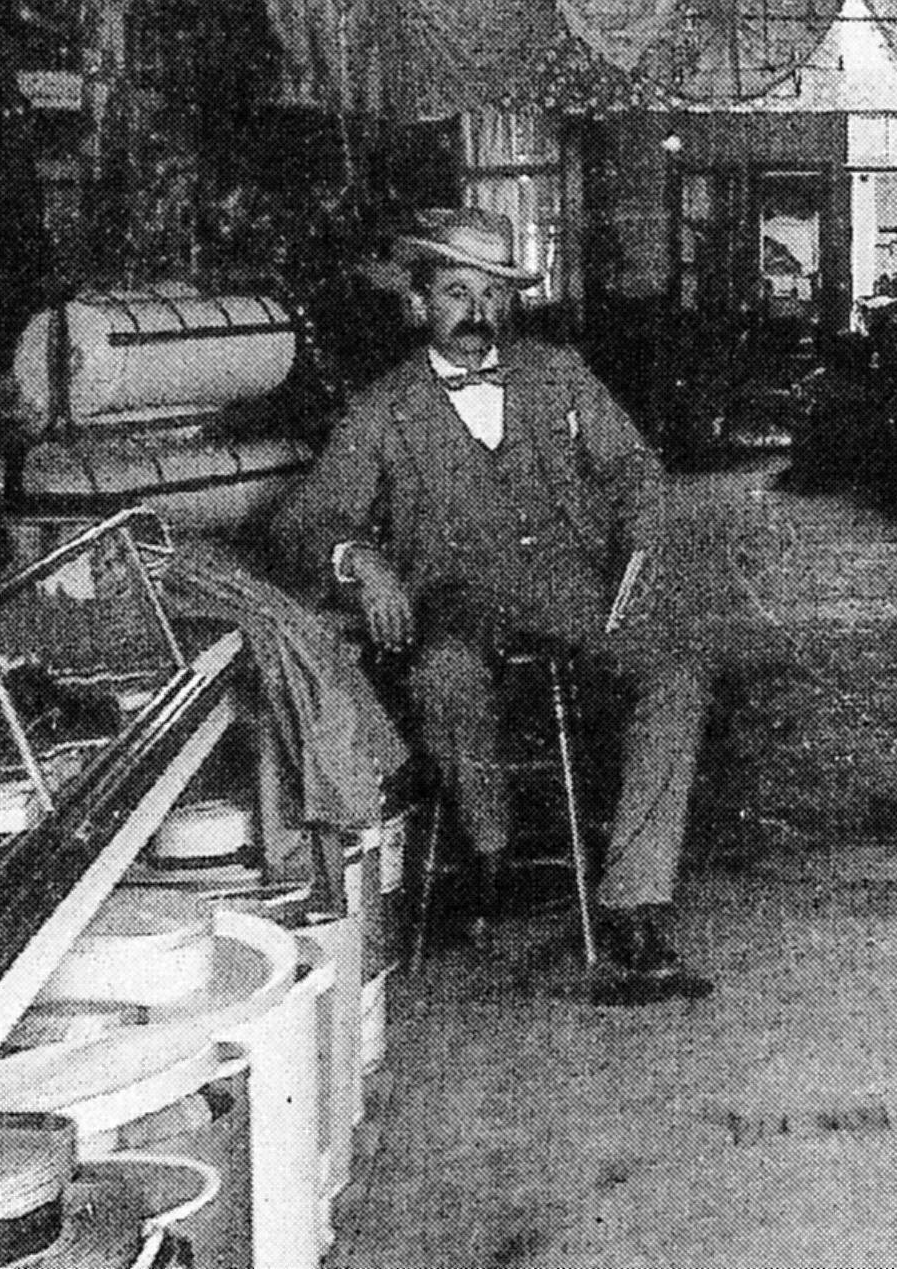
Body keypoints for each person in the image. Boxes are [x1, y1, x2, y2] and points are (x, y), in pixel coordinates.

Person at [272, 207, 712, 1004]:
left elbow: (633, 469)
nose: (476, 312)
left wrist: (642, 537)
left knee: (675, 675)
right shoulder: (385, 409)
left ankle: (636, 899)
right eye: (455, 292)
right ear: (419, 304)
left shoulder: (560, 374)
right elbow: (308, 520)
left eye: (491, 294)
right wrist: (363, 563)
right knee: (443, 678)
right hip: (455, 596)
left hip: (572, 588)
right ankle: (492, 849)